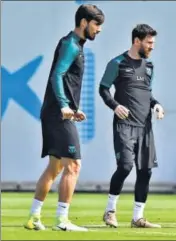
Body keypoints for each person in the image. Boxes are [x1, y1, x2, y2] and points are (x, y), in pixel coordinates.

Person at [24, 4, 104, 232]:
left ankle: (34, 217)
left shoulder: (75, 45)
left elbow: (62, 79)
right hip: (57, 114)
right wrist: (64, 106)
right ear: (84, 23)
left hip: (56, 112)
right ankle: (62, 220)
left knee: (55, 167)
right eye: (97, 24)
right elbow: (57, 76)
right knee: (74, 165)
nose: (99, 30)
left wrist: (70, 108)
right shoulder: (71, 45)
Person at [99, 24, 164, 229]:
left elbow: (146, 93)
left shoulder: (150, 66)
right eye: (149, 42)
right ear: (137, 41)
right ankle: (110, 211)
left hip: (145, 127)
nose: (152, 46)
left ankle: (138, 218)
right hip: (124, 126)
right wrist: (115, 106)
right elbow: (103, 89)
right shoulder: (117, 63)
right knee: (125, 166)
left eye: (153, 43)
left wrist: (157, 104)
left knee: (145, 171)